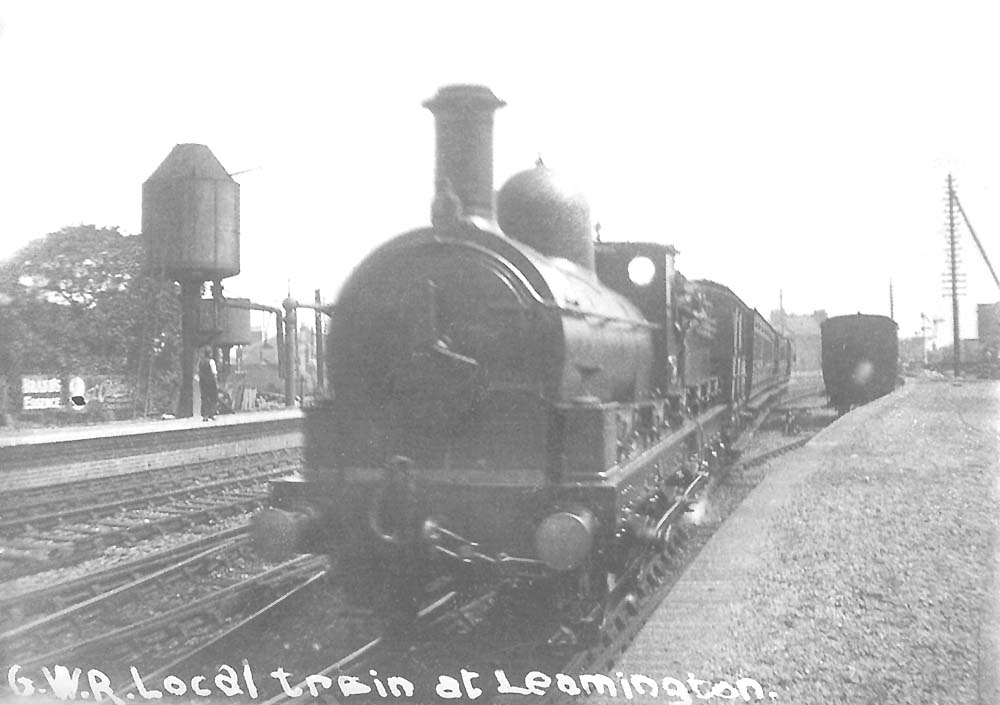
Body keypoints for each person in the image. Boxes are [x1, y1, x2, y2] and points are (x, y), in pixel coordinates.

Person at [198, 347, 219, 420]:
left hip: (203, 382)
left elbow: (199, 372)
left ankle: (205, 415)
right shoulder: (211, 361)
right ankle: (211, 413)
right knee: (213, 398)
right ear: (210, 353)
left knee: (204, 398)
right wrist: (216, 382)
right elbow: (214, 373)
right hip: (210, 382)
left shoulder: (200, 362)